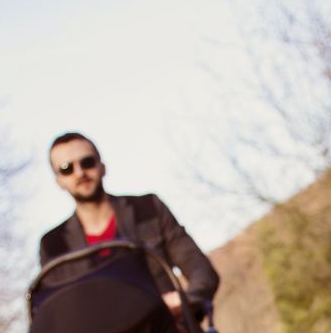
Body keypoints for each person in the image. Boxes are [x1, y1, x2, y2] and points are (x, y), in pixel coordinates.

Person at [38, 132, 219, 313]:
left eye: (87, 162)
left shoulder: (148, 208)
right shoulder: (53, 245)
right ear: (58, 182)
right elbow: (55, 311)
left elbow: (198, 266)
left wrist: (188, 302)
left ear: (102, 167)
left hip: (171, 330)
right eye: (66, 168)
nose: (80, 172)